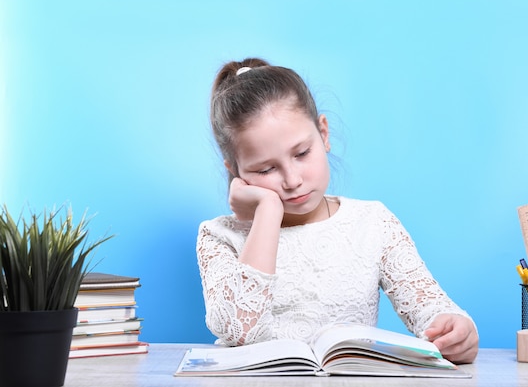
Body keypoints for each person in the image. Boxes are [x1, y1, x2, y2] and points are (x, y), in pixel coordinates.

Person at [196, 57, 479, 364]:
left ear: (324, 134)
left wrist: (456, 329)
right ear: (236, 172)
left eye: (302, 153)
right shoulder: (218, 237)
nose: (293, 180)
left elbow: (430, 305)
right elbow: (239, 332)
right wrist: (267, 210)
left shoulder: (372, 223)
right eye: (265, 169)